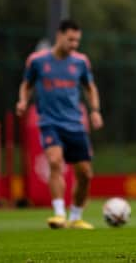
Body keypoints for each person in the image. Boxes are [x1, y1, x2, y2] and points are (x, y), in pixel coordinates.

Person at [16, 19, 103, 229]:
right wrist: (23, 101)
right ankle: (58, 214)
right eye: (70, 39)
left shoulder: (81, 62)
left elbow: (90, 87)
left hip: (75, 123)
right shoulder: (37, 61)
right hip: (49, 122)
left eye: (77, 40)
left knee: (85, 174)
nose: (74, 44)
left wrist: (94, 111)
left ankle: (75, 216)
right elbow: (26, 85)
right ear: (59, 36)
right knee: (55, 162)